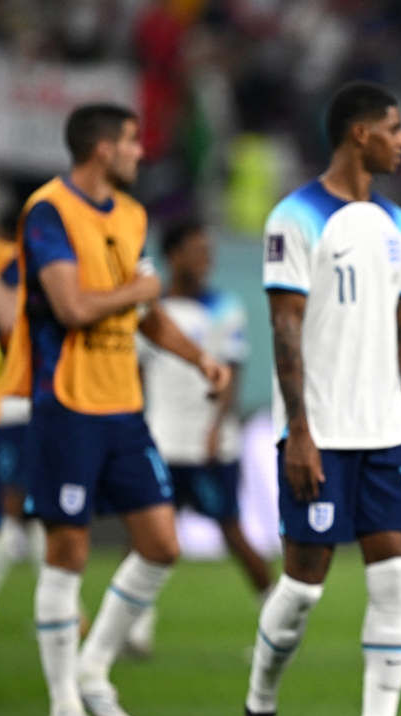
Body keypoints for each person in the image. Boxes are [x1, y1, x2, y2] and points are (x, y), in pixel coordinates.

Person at [0, 103, 231, 716]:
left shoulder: (131, 216)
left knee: (162, 544)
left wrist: (197, 358)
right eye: (131, 140)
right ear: (102, 149)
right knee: (67, 551)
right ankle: (62, 703)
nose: (139, 150)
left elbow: (143, 313)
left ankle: (95, 670)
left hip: (123, 407)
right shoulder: (49, 210)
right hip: (65, 405)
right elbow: (72, 306)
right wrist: (141, 291)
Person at [241, 81, 401, 716]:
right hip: (321, 432)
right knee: (302, 588)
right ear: (360, 134)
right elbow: (284, 328)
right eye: (394, 127)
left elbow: (399, 327)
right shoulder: (295, 217)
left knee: (394, 578)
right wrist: (299, 431)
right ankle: (259, 710)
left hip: (387, 430)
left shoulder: (398, 223)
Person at [130, 218, 273, 654]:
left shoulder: (224, 307)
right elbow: (135, 373)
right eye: (197, 251)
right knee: (148, 536)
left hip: (211, 444)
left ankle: (275, 619)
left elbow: (231, 371)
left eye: (208, 252)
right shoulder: (149, 311)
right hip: (161, 439)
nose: (205, 260)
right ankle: (136, 628)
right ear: (174, 256)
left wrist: (216, 427)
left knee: (232, 530)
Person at [0, 204, 45, 617]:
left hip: (20, 402)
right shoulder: (13, 262)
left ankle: (62, 608)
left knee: (32, 509)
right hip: (17, 403)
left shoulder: (12, 263)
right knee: (18, 514)